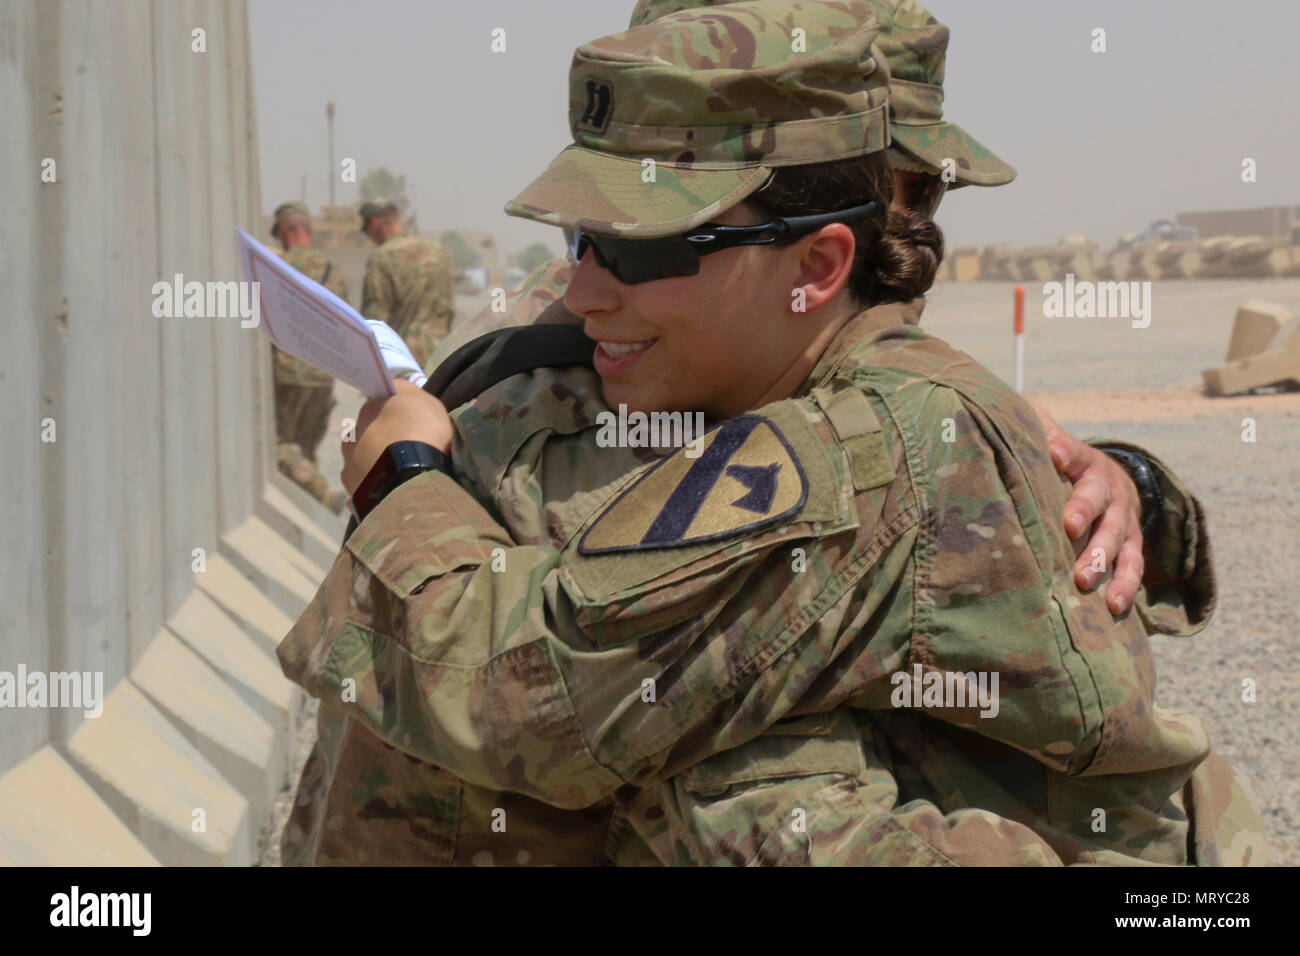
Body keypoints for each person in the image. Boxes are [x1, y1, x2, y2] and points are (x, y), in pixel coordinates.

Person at [280, 0, 1266, 866]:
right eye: (582, 238)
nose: (585, 287)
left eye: (638, 243)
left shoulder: (861, 436)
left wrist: (406, 482)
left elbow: (518, 692)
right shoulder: (680, 367)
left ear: (821, 261)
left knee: (708, 748)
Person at [269, 201, 349, 514]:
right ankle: (305, 510)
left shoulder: (276, 269)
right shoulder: (333, 273)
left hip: (287, 374)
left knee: (283, 447)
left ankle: (324, 493)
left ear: (286, 231)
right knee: (306, 450)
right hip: (322, 373)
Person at [358, 198, 455, 370]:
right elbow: (448, 310)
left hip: (402, 360)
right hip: (440, 357)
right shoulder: (438, 253)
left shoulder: (382, 257)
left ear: (374, 223)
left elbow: (374, 320)